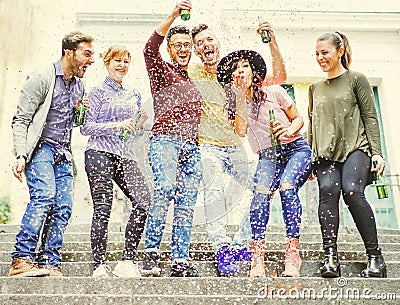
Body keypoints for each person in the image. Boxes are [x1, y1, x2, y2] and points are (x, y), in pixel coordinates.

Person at [189, 22, 287, 276]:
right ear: (197, 51)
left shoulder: (236, 72)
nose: (205, 45)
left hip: (235, 146)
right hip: (208, 146)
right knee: (214, 189)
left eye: (208, 39)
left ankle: (241, 244)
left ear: (217, 43)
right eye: (199, 43)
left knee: (261, 189)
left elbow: (278, 78)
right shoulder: (193, 74)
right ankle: (222, 248)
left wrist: (272, 42)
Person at [217, 49, 312, 278]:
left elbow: (298, 118)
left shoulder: (274, 92)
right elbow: (240, 132)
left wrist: (289, 129)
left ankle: (292, 254)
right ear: (231, 78)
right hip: (268, 156)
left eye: (245, 66)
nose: (240, 71)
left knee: (287, 188)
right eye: (235, 69)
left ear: (254, 71)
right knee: (260, 194)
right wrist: (240, 97)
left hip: (296, 149)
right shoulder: (233, 105)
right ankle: (257, 256)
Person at [10, 32, 95, 277]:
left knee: (63, 207)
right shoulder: (42, 78)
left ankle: (49, 261)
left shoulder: (79, 84)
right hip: (40, 149)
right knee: (44, 197)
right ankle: (21, 259)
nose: (91, 60)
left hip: (63, 153)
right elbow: (21, 119)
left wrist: (81, 112)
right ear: (69, 52)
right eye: (86, 54)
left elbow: (76, 124)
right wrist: (21, 154)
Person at [308, 32, 387, 278]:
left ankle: (375, 258)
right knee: (328, 191)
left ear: (340, 51)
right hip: (325, 153)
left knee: (351, 189)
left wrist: (378, 153)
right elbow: (313, 124)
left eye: (325, 52)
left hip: (356, 146)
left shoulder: (356, 79)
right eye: (317, 54)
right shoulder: (314, 88)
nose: (320, 58)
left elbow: (370, 116)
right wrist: (311, 157)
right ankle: (330, 257)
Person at [142, 0, 202, 277]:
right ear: (170, 48)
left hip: (192, 147)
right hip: (165, 140)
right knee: (165, 190)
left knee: (187, 202)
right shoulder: (160, 71)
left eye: (186, 45)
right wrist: (173, 16)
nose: (182, 49)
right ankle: (151, 256)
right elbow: (149, 48)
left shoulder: (191, 80)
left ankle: (180, 260)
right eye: (177, 45)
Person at [80, 45, 151, 278]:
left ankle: (127, 260)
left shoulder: (134, 95)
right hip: (99, 153)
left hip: (125, 155)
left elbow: (135, 133)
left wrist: (139, 127)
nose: (121, 65)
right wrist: (116, 125)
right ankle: (99, 265)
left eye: (126, 61)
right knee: (103, 208)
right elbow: (86, 128)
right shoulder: (96, 92)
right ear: (107, 63)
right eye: (116, 61)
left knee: (143, 200)